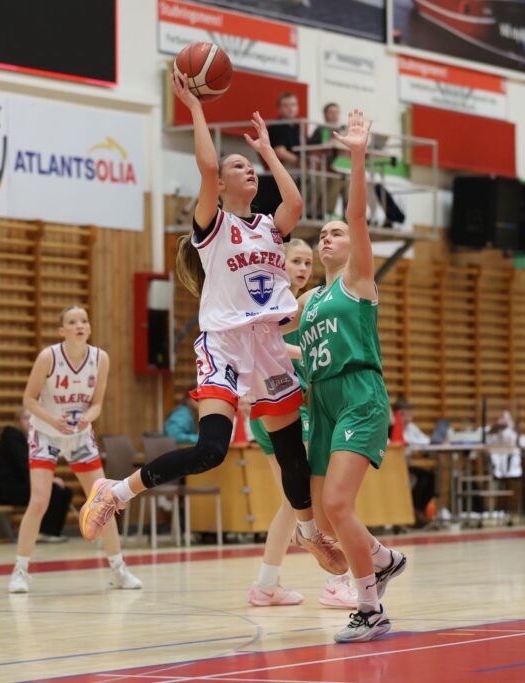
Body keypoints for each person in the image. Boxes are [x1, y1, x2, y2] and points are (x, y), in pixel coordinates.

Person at [77, 71, 346, 578]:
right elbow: (206, 165)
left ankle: (311, 535)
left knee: (293, 454)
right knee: (211, 451)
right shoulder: (213, 226)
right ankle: (114, 492)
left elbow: (295, 204)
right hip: (223, 344)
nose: (249, 170)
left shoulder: (269, 227)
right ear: (220, 186)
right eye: (238, 166)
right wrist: (196, 108)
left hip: (267, 346)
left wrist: (267, 152)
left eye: (251, 167)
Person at [292, 109, 407, 643]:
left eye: (334, 232)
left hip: (359, 393)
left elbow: (358, 216)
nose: (326, 238)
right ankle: (381, 558)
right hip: (321, 401)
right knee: (323, 516)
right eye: (321, 234)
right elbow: (280, 339)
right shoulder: (309, 300)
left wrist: (358, 157)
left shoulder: (357, 280)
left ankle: (370, 608)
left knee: (339, 505)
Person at [247, 238, 357, 610]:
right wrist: (309, 354)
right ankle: (335, 581)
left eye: (308, 263)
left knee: (292, 502)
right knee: (318, 494)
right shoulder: (274, 303)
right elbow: (261, 342)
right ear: (279, 262)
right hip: (278, 405)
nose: (303, 269)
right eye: (296, 261)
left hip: (294, 405)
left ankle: (266, 585)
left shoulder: (308, 303)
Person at [9, 305, 142, 593]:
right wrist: (52, 420)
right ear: (62, 330)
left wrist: (87, 418)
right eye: (72, 322)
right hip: (46, 433)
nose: (79, 325)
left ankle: (118, 569)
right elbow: (29, 399)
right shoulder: (49, 357)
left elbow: (97, 404)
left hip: (79, 436)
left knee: (103, 501)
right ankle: (20, 571)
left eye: (83, 320)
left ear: (89, 328)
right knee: (39, 502)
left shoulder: (100, 358)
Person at [0, 406, 73, 542]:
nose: (30, 422)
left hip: (28, 484)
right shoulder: (11, 436)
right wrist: (49, 480)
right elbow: (25, 464)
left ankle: (53, 533)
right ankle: (43, 532)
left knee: (65, 491)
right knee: (55, 491)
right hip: (12, 488)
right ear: (18, 421)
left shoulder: (34, 440)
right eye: (26, 418)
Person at [392, 398, 434, 526]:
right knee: (421, 478)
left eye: (410, 415)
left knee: (430, 477)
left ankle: (417, 510)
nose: (408, 419)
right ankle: (412, 512)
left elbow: (426, 440)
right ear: (396, 414)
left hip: (406, 466)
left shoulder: (411, 427)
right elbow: (404, 442)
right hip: (392, 468)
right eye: (404, 415)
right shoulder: (391, 427)